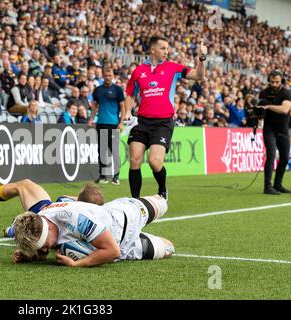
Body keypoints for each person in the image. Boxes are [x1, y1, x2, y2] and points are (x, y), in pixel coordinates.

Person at [123, 36, 207, 200]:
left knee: (155, 162)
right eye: (162, 48)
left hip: (163, 123)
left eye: (167, 48)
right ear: (152, 49)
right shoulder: (139, 71)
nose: (166, 51)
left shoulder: (173, 68)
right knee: (134, 160)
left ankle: (162, 190)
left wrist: (202, 58)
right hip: (142, 121)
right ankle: (135, 201)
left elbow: (199, 76)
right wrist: (127, 112)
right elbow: (130, 95)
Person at [12, 188, 172, 267]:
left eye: (42, 244)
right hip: (123, 245)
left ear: (48, 229)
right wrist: (30, 255)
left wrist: (77, 264)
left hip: (126, 215)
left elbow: (111, 251)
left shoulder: (76, 219)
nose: (45, 249)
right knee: (170, 248)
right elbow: (116, 251)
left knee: (162, 202)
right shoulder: (41, 218)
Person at [89, 68, 125, 185]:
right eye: (106, 75)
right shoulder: (98, 90)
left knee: (114, 150)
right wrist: (91, 118)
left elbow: (123, 107)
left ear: (113, 76)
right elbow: (94, 106)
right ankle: (103, 175)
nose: (108, 77)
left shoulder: (118, 90)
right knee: (102, 150)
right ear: (103, 76)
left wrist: (121, 122)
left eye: (110, 75)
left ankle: (116, 176)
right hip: (101, 123)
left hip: (113, 124)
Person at [258, 70, 291, 194]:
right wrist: (258, 113)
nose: (274, 84)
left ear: (281, 81)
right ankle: (267, 186)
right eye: (272, 81)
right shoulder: (263, 93)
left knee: (284, 157)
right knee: (271, 154)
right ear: (268, 80)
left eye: (277, 82)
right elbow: (260, 110)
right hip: (269, 128)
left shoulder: (287, 93)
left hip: (283, 128)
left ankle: (278, 184)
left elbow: (284, 109)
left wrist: (268, 106)